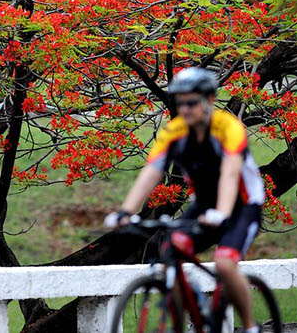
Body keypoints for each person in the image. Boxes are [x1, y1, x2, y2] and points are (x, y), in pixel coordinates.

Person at [106, 67, 265, 333]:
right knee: (171, 252)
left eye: (191, 102)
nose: (186, 109)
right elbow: (152, 170)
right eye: (180, 103)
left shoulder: (228, 128)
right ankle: (188, 323)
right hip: (204, 206)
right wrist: (126, 211)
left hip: (242, 206)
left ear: (209, 100)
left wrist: (222, 213)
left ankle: (250, 327)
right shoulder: (175, 130)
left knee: (225, 263)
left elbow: (230, 172)